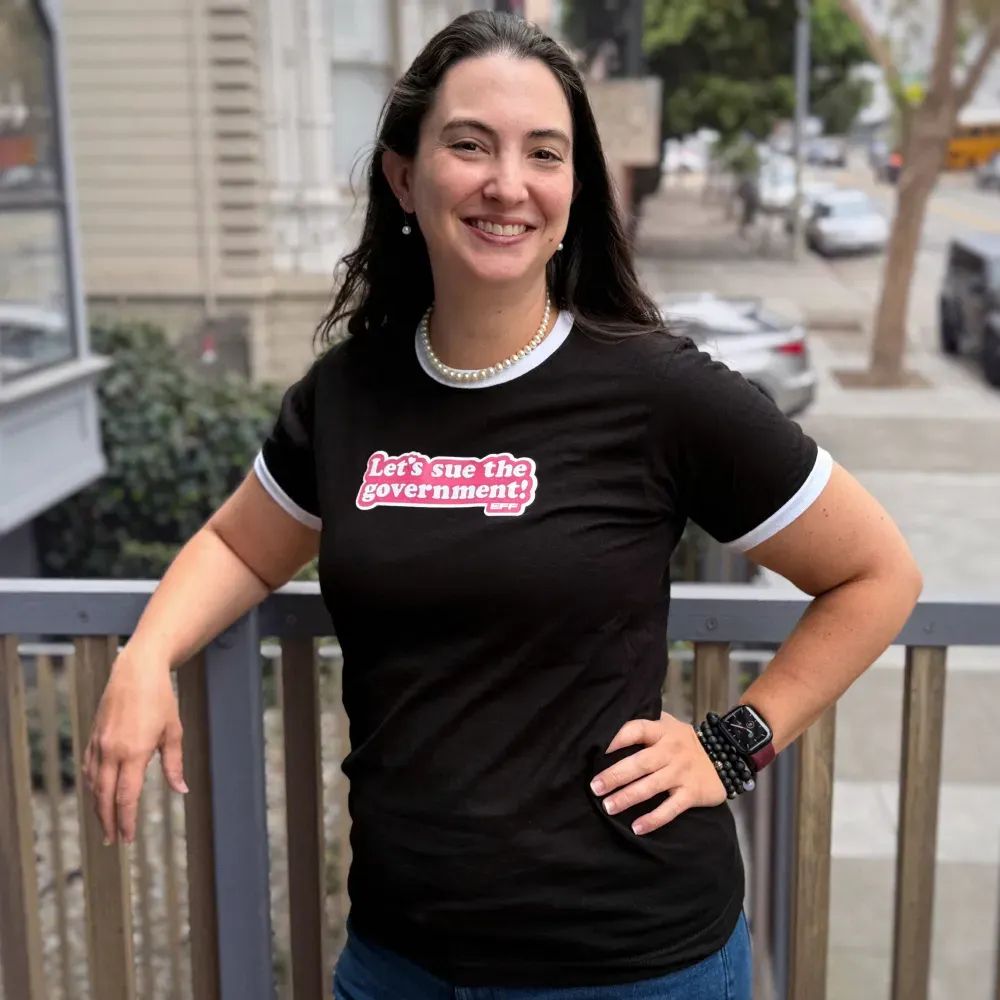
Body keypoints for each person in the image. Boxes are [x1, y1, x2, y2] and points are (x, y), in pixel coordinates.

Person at [82, 11, 923, 1000]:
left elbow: (877, 574)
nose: (507, 183)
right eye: (470, 144)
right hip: (399, 959)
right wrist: (146, 656)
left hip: (628, 963)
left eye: (544, 153)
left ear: (573, 193)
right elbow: (240, 545)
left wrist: (731, 745)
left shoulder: (657, 391)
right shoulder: (347, 394)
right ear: (405, 176)